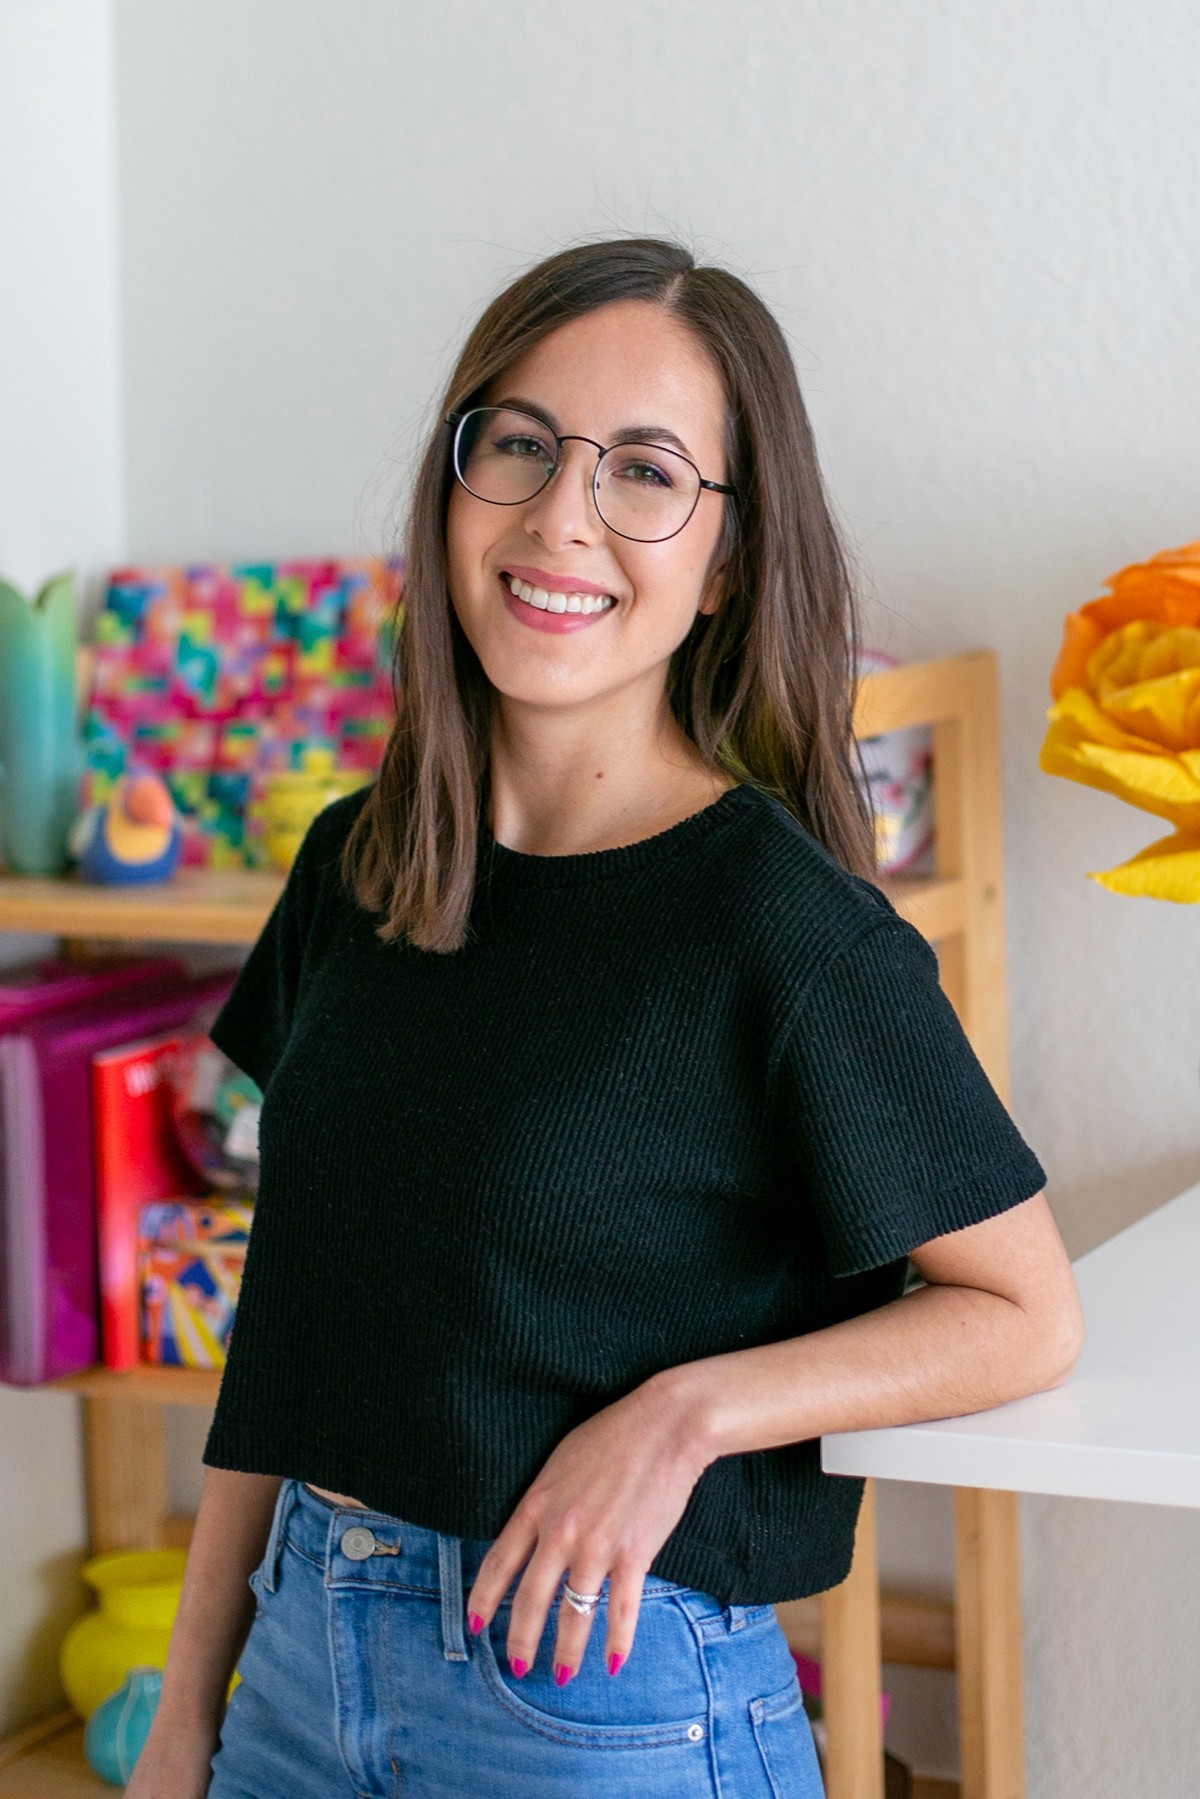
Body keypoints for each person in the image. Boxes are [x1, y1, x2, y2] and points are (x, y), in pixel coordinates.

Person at [127, 237, 1083, 1799]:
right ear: (453, 486)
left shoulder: (785, 929)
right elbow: (290, 1317)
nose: (561, 515)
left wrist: (688, 1414)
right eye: (519, 444)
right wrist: (187, 1719)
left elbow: (1024, 1312)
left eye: (645, 471)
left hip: (601, 1704)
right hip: (292, 1675)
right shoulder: (359, 866)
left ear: (729, 559)